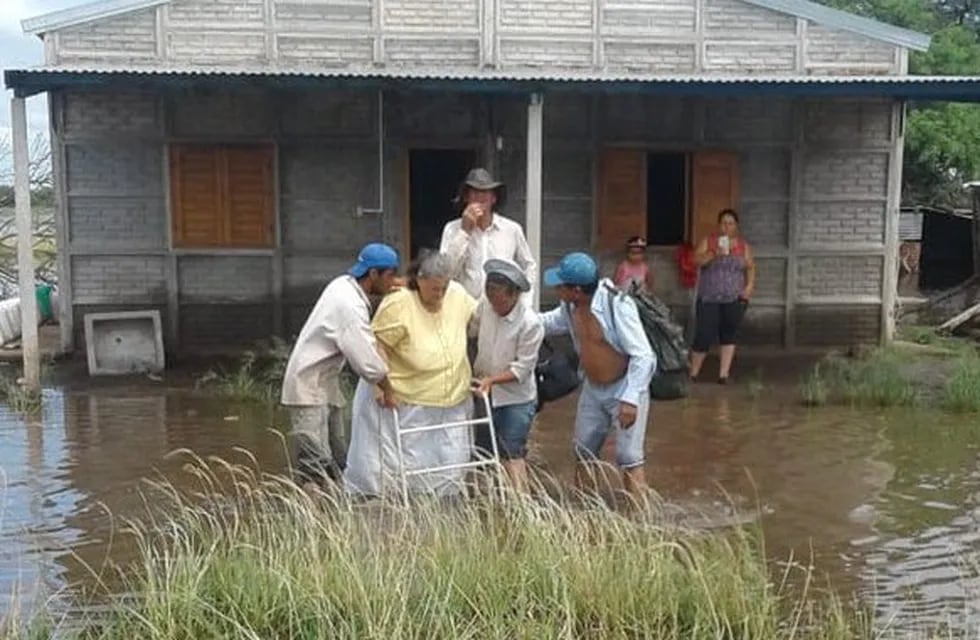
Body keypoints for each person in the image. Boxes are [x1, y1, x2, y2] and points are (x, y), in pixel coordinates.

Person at [344, 251, 479, 498]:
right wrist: (380, 386)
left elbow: (479, 318)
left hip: (452, 395)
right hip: (411, 397)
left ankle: (447, 502)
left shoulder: (457, 294)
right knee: (408, 466)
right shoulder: (399, 303)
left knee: (451, 458)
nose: (440, 294)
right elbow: (377, 343)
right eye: (434, 289)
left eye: (444, 288)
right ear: (419, 280)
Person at [280, 243, 400, 492]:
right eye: (390, 275)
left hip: (325, 383)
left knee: (337, 455)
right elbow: (367, 363)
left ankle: (334, 514)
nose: (393, 281)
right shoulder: (350, 307)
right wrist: (388, 389)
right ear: (373, 274)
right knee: (313, 461)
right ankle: (312, 518)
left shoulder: (343, 284)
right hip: (307, 385)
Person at [538, 252, 656, 498]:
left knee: (629, 458)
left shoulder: (618, 305)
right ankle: (585, 511)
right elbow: (549, 322)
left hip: (624, 387)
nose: (556, 290)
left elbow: (644, 356)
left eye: (561, 285)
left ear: (577, 289)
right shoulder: (571, 307)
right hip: (592, 388)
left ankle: (639, 520)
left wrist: (631, 398)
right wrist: (515, 320)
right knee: (583, 450)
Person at [471, 258, 545, 493]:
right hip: (484, 392)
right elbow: (471, 330)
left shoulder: (530, 323)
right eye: (490, 297)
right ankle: (487, 501)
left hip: (516, 398)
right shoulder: (486, 305)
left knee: (512, 451)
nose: (494, 305)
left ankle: (521, 506)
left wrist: (491, 381)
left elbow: (523, 369)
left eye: (499, 299)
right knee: (482, 450)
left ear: (514, 295)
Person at [439, 168, 537, 301]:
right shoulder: (452, 229)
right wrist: (465, 231)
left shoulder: (511, 229)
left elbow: (529, 266)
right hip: (466, 310)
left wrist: (524, 301)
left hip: (501, 310)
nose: (479, 197)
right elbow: (446, 272)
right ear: (466, 198)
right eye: (474, 192)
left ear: (493, 198)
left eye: (485, 192)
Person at [689, 208, 756, 384]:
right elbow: (696, 261)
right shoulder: (709, 241)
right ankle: (693, 373)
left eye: (730, 223)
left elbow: (750, 267)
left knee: (729, 334)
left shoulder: (743, 246)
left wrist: (749, 287)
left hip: (734, 298)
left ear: (736, 226)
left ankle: (723, 374)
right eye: (723, 223)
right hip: (709, 297)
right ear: (719, 225)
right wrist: (714, 252)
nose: (726, 227)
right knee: (704, 334)